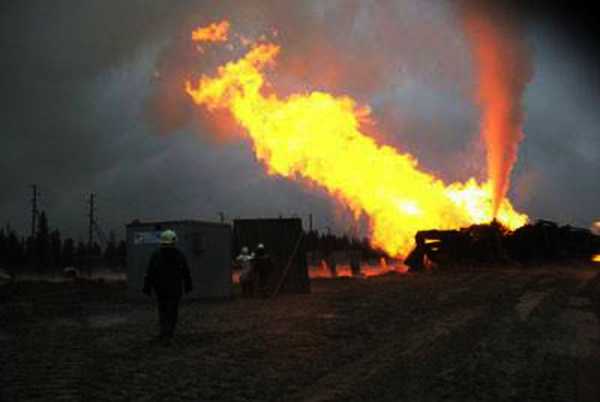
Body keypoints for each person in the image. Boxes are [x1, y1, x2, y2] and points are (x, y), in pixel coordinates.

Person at [143, 229, 192, 344]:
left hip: (160, 289)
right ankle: (168, 334)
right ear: (174, 241)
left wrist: (147, 287)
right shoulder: (179, 255)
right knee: (172, 311)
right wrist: (188, 285)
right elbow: (186, 272)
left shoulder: (156, 255)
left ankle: (164, 332)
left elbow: (149, 272)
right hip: (174, 289)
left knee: (163, 310)